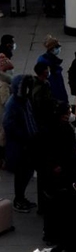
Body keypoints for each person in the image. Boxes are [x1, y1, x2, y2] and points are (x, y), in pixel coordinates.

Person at [40, 102, 76, 243]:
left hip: (53, 172)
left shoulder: (48, 127)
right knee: (60, 203)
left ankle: (51, 233)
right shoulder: (66, 129)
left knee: (52, 204)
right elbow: (70, 152)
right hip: (62, 171)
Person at [3, 75, 38, 212]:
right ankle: (19, 199)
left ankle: (21, 198)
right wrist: (25, 137)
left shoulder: (23, 101)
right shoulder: (14, 104)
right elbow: (9, 126)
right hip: (19, 147)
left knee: (26, 173)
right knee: (21, 174)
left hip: (26, 144)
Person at [37, 34, 68, 103]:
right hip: (55, 95)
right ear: (53, 49)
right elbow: (57, 85)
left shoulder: (44, 59)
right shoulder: (51, 63)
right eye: (58, 47)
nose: (59, 49)